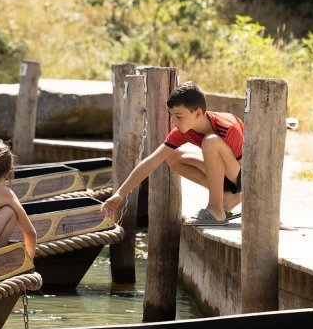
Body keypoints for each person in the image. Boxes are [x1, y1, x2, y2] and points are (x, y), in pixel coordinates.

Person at [101, 81, 244, 226]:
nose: (174, 121)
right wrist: (120, 194)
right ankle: (226, 198)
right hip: (227, 176)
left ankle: (216, 210)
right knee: (174, 156)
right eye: (172, 116)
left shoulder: (228, 128)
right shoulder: (184, 130)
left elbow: (245, 175)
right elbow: (152, 161)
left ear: (198, 113)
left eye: (179, 116)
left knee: (211, 141)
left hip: (244, 177)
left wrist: (242, 193)